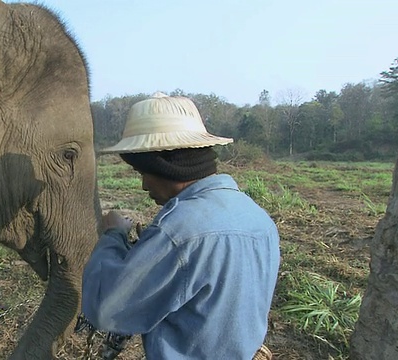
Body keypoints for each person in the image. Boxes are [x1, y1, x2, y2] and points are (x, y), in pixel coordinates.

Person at [81, 92, 280, 359]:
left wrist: (113, 236)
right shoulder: (258, 218)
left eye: (143, 172)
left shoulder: (179, 233)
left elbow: (107, 310)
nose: (143, 185)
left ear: (166, 166)